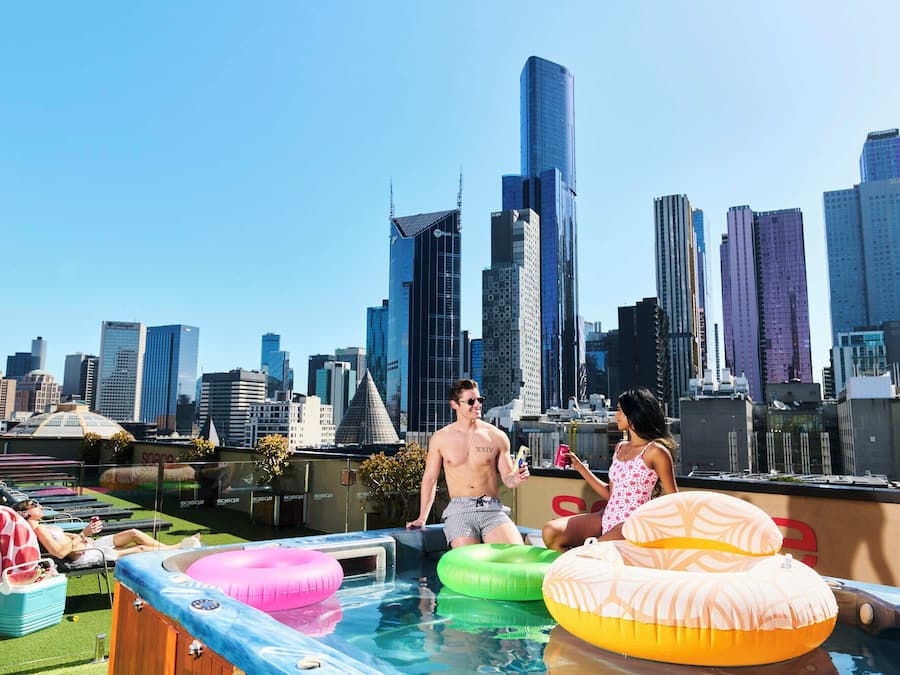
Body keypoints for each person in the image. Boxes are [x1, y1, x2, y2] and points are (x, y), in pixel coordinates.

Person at [542, 388, 678, 551]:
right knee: (551, 532)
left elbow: (674, 500)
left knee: (595, 551)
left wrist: (649, 523)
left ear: (634, 412)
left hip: (631, 526)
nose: (616, 415)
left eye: (620, 410)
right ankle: (583, 565)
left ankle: (586, 561)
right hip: (606, 516)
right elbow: (610, 493)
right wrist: (580, 467)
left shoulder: (655, 451)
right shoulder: (620, 447)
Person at [406, 379, 530, 547]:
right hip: (459, 510)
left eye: (480, 400)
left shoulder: (496, 436)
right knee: (468, 563)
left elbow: (509, 479)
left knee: (515, 554)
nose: (477, 405)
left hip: (492, 509)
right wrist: (422, 518)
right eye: (471, 401)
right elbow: (430, 479)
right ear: (454, 405)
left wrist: (516, 478)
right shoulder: (441, 438)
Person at [13, 498, 200, 567]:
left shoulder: (42, 525)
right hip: (87, 555)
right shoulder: (36, 529)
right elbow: (60, 553)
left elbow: (66, 537)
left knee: (134, 533)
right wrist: (84, 535)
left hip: (90, 545)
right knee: (141, 548)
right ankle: (179, 548)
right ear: (27, 513)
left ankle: (175, 547)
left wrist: (86, 534)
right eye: (34, 504)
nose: (39, 505)